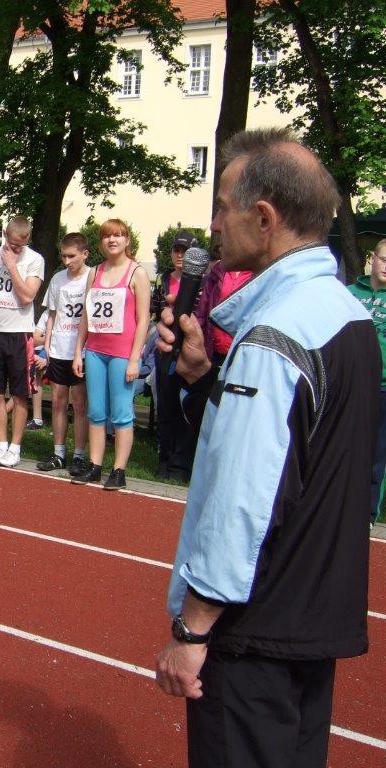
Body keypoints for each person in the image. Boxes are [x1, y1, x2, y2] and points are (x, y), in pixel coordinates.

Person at [153, 128, 377, 768]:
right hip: (314, 618)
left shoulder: (274, 336)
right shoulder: (345, 314)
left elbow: (245, 498)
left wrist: (193, 628)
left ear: (264, 217)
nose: (214, 225)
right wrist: (204, 380)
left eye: (222, 207)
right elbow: (302, 454)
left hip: (255, 630)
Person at [72, 219, 151, 490]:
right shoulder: (94, 272)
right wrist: (78, 351)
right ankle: (95, 465)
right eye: (107, 236)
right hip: (95, 351)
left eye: (118, 235)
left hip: (122, 354)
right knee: (95, 411)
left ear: (127, 240)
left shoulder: (137, 273)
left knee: (120, 413)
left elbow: (143, 319)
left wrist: (134, 359)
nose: (112, 240)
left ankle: (119, 470)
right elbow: (86, 315)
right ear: (101, 242)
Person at [0, 216, 45, 467]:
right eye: (12, 244)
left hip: (20, 334)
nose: (16, 249)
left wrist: (12, 265)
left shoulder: (34, 259)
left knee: (19, 395)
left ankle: (15, 448)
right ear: (5, 234)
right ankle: (1, 444)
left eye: (20, 245)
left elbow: (27, 296)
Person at [35, 232, 90, 475]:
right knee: (58, 402)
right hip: (58, 348)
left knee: (79, 404)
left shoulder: (92, 277)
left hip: (82, 351)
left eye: (71, 256)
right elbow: (52, 315)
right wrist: (47, 346)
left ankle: (79, 455)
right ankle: (59, 453)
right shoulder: (58, 279)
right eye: (63, 256)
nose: (67, 261)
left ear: (84, 254)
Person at [152, 231, 199, 482]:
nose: (180, 256)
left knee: (187, 408)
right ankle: (165, 459)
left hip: (191, 351)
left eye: (185, 251)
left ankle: (181, 464)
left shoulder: (203, 282)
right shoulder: (163, 280)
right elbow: (155, 309)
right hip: (166, 349)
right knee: (166, 406)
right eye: (176, 251)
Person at [348, 238, 386, 525]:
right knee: (344, 447)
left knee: (377, 453)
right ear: (372, 258)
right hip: (350, 384)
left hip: (383, 388)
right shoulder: (348, 294)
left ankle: (369, 514)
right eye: (385, 259)